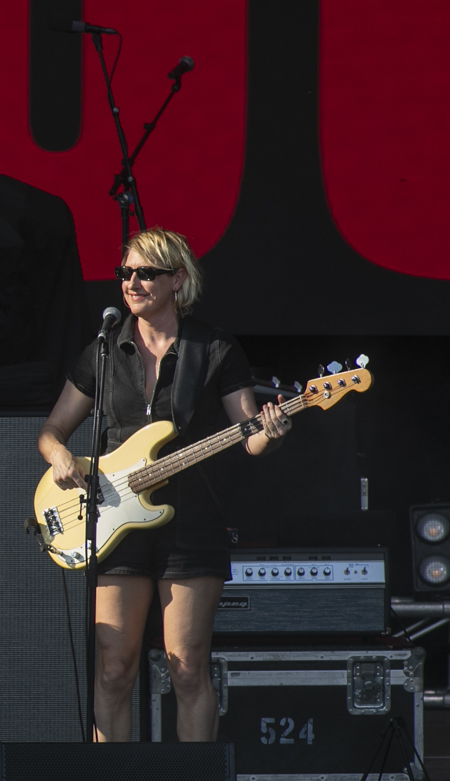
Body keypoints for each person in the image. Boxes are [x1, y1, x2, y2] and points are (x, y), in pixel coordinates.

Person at [36, 228, 291, 743]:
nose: (132, 283)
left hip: (191, 525)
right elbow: (52, 431)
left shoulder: (213, 347)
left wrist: (271, 432)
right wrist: (60, 455)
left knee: (187, 668)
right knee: (113, 668)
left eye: (146, 273)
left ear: (177, 279)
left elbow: (249, 437)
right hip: (112, 520)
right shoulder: (105, 349)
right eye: (125, 273)